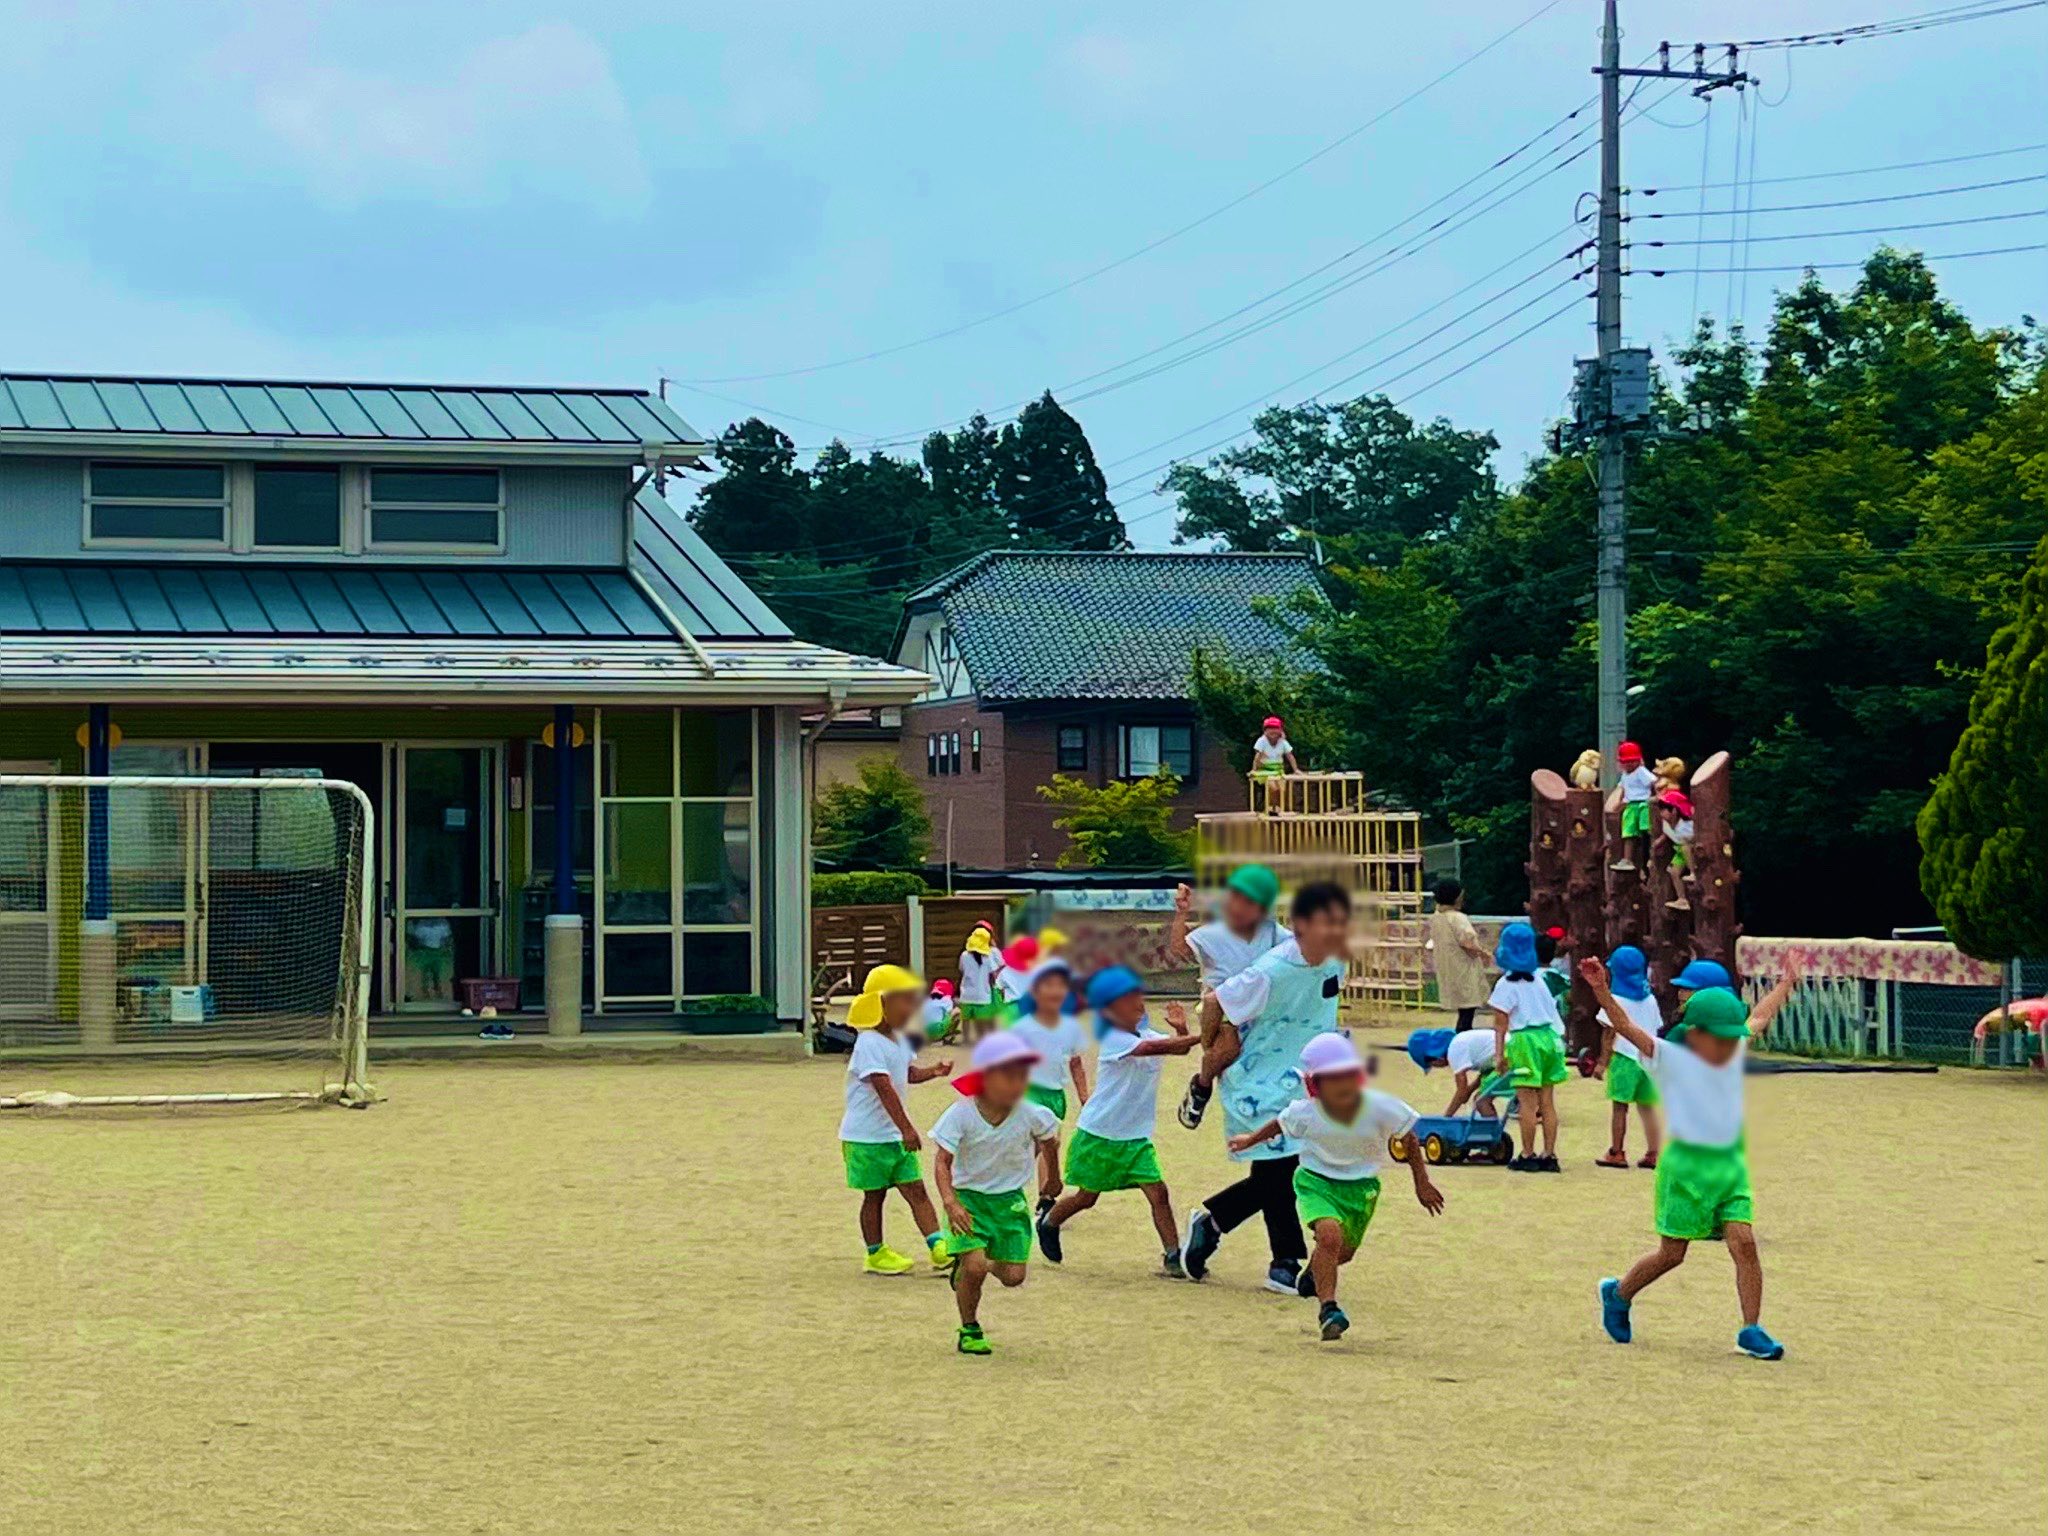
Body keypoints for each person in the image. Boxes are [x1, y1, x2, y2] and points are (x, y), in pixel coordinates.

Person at [1582, 956, 1802, 1361]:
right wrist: (1600, 989)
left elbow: (1759, 1016)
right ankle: (1619, 1293)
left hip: (1728, 1166)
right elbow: (1625, 1026)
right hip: (1683, 1170)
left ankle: (1750, 1329)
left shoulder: (1732, 1046)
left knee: (1745, 1241)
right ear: (1695, 1033)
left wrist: (1786, 982)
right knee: (1672, 1254)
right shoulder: (1666, 1057)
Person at [1181, 881, 1354, 1291]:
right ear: (1298, 925)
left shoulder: (1335, 961)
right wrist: (1209, 1046)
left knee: (1286, 1167)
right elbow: (1214, 1001)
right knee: (1283, 1167)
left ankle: (1213, 1222)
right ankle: (1285, 1259)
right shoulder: (1271, 970)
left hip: (1308, 1078)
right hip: (1259, 1079)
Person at [1229, 1033, 1443, 1341]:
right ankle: (1329, 1309)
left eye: (1347, 1077)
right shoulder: (1306, 1112)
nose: (1341, 1085)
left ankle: (1314, 1275)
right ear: (1314, 1086)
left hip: (1361, 1188)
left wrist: (1421, 1183)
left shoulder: (1380, 1107)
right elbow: (1281, 1122)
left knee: (1343, 1253)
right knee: (1329, 1235)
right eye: (1331, 1080)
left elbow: (1408, 1137)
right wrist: (1250, 1140)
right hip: (1316, 1181)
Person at [1036, 967, 1198, 1277]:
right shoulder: (1113, 1038)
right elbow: (1154, 1049)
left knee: (1159, 1193)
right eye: (1129, 1001)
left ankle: (1173, 1256)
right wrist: (1205, 1033)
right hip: (1099, 1134)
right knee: (1086, 1197)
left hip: (1135, 1137)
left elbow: (1178, 1048)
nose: (1139, 1004)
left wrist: (1182, 1029)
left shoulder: (1146, 1034)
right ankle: (1050, 1221)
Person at [931, 1033, 1064, 1357]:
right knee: (976, 1267)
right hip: (968, 1201)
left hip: (1010, 1203)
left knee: (1013, 1277)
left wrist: (1054, 1177)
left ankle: (965, 1267)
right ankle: (969, 1327)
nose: (1018, 1084)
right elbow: (941, 1160)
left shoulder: (1031, 1112)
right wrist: (950, 1202)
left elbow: (1050, 1139)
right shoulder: (960, 1113)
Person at [838, 964, 954, 1275]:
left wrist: (934, 1071)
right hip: (867, 1137)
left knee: (916, 1189)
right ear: (882, 1004)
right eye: (904, 1001)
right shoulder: (869, 1043)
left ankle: (938, 1246)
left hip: (893, 1135)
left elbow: (906, 1074)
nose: (911, 1008)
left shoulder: (900, 1040)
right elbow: (883, 1086)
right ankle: (875, 1253)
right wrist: (906, 1128)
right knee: (874, 1196)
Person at [1171, 864, 1283, 1129]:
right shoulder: (1214, 933)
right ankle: (1201, 1086)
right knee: (1227, 1048)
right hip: (1220, 1005)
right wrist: (1181, 914)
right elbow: (1179, 949)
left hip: (1260, 1003)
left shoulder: (1275, 932)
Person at [1005, 961, 1091, 1215]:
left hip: (1055, 1095)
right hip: (1028, 1091)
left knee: (1050, 1147)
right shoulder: (1021, 1027)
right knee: (1030, 1148)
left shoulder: (1071, 1026)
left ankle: (1045, 1200)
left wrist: (1085, 1096)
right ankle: (1009, 1194)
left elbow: (1076, 1063)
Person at [1488, 921, 1566, 1172]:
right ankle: (1550, 1154)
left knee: (1527, 1103)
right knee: (1547, 1102)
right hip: (1549, 1039)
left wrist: (1499, 1055)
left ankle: (1527, 1154)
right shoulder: (1539, 981)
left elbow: (1500, 1024)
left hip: (1525, 1041)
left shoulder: (1506, 984)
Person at [1593, 945, 1663, 1170]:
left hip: (1624, 1058)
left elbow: (1609, 1033)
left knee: (1620, 1107)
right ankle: (1654, 1152)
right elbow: (1657, 1027)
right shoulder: (1650, 999)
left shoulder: (1615, 1000)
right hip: (1649, 1059)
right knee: (1648, 1107)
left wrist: (1602, 1062)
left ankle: (1617, 1151)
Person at [1427, 880, 1492, 1033]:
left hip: (1448, 966)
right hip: (1463, 967)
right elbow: (1468, 941)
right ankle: (1462, 1039)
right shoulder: (1458, 918)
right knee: (1468, 1009)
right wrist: (1483, 952)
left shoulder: (1436, 918)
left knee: (1464, 1010)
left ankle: (1461, 1036)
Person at [1406, 1026, 1510, 1118]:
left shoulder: (1454, 1050)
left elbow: (1461, 1091)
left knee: (1481, 1101)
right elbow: (1486, 1072)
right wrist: (1469, 1091)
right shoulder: (1460, 1041)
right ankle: (1495, 1134)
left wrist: (1447, 1117)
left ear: (1436, 1058)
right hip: (1512, 1052)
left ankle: (1494, 1137)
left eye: (1432, 1065)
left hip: (1509, 1057)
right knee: (1480, 1098)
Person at [1612, 741, 1658, 871]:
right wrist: (1618, 803)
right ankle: (1627, 858)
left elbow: (1654, 782)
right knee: (1628, 832)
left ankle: (1652, 856)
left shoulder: (1641, 772)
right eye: (1625, 762)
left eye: (1632, 761)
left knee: (1647, 830)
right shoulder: (1625, 775)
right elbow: (1621, 789)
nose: (1629, 764)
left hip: (1643, 803)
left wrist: (1657, 796)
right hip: (1630, 804)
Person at [956, 926, 1004, 1043]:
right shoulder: (987, 957)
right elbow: (994, 972)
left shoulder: (964, 955)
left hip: (967, 994)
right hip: (983, 994)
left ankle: (966, 1040)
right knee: (982, 1021)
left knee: (966, 1020)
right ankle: (982, 1041)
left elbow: (961, 969)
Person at [1654, 790, 1696, 911]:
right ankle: (1682, 899)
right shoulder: (1666, 824)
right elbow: (1667, 834)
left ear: (1674, 811)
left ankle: (1693, 872)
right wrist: (1659, 841)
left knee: (1685, 847)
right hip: (1679, 850)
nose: (1661, 814)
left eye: (1663, 810)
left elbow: (1689, 839)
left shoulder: (1686, 825)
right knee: (1673, 872)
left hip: (1691, 850)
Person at [923, 979, 960, 1045]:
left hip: (925, 1032)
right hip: (937, 1031)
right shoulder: (947, 1000)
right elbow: (949, 1013)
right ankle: (945, 1036)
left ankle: (932, 1039)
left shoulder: (927, 1000)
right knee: (957, 1012)